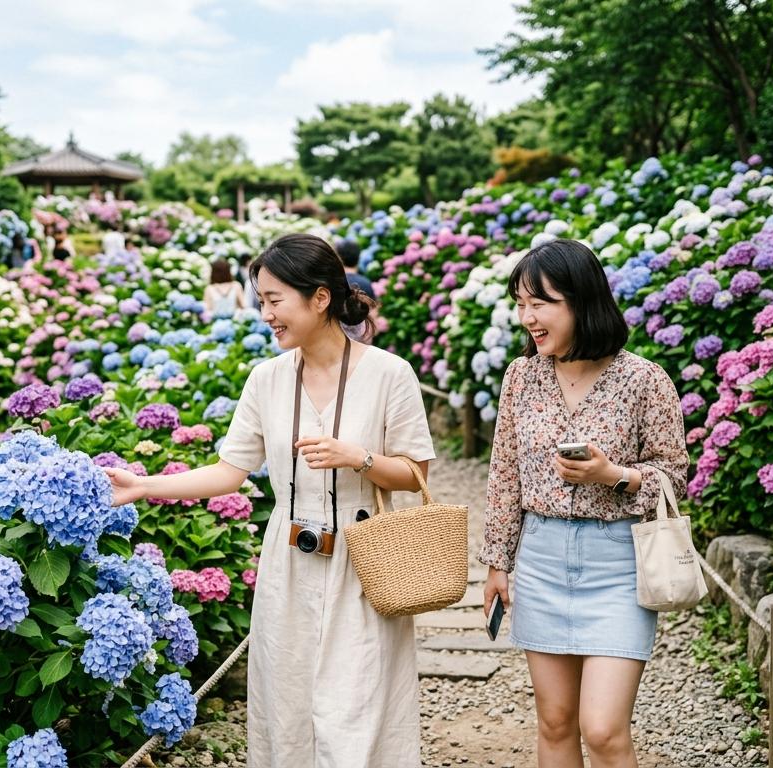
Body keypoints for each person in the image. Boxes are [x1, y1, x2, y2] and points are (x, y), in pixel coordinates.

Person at [105, 233, 437, 767]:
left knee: (360, 706)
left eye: (274, 300)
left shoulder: (389, 374)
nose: (265, 315)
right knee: (288, 705)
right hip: (290, 559)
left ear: (320, 297)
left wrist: (358, 457)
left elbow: (415, 474)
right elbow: (229, 471)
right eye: (261, 300)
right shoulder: (267, 379)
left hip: (365, 561)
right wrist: (145, 486)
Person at [479, 238, 688, 768]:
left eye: (540, 303)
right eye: (520, 304)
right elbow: (504, 473)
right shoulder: (521, 377)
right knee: (554, 722)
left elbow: (675, 479)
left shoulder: (644, 379)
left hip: (616, 563)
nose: (527, 317)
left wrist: (612, 475)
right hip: (541, 558)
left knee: (604, 730)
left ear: (581, 300)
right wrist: (497, 563)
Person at [335, 239, 377, 343]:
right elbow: (373, 315)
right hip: (361, 341)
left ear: (338, 257)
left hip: (337, 340)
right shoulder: (366, 283)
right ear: (358, 258)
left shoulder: (334, 282)